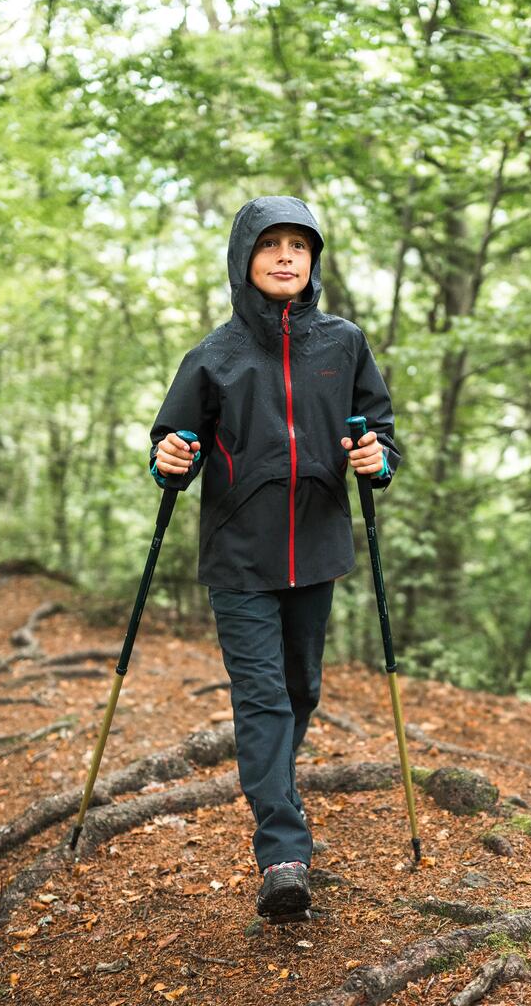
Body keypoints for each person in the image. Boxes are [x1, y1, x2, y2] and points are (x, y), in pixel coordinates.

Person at [149, 195, 400, 919]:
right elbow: (175, 448)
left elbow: (380, 435)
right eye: (271, 245)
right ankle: (284, 853)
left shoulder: (343, 344)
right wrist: (171, 459)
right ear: (245, 259)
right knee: (263, 700)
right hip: (240, 558)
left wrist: (374, 458)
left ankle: (273, 787)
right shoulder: (214, 357)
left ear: (314, 260)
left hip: (317, 549)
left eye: (299, 244)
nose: (286, 256)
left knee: (300, 693)